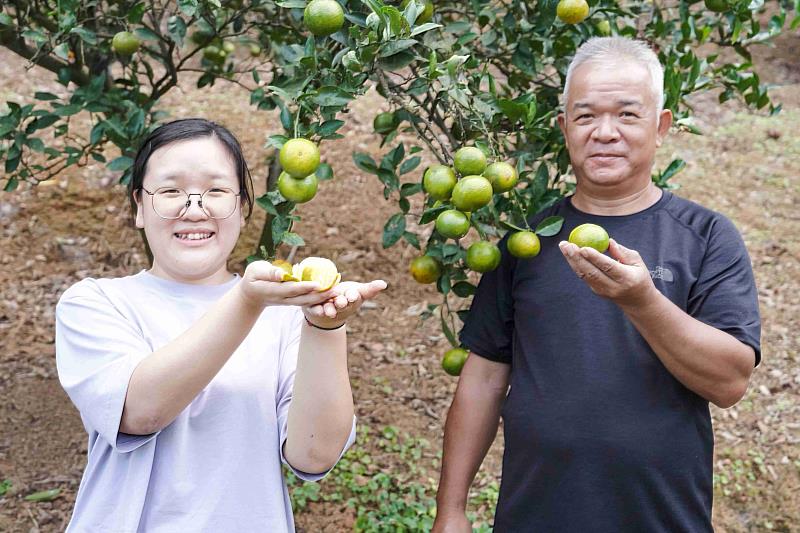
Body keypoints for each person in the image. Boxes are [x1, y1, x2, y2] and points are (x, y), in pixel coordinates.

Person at [432, 37, 760, 532]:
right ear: (565, 128)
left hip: (661, 518)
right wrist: (451, 511)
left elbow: (729, 381)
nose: (604, 132)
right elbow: (482, 379)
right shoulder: (527, 241)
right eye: (585, 117)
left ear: (660, 126)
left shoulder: (706, 237)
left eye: (627, 115)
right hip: (533, 516)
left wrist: (643, 300)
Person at [55, 118, 387, 532]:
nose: (195, 207)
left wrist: (325, 328)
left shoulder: (284, 316)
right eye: (172, 190)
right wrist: (247, 302)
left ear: (243, 207)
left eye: (215, 190)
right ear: (139, 206)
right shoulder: (96, 303)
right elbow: (138, 411)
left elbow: (314, 455)